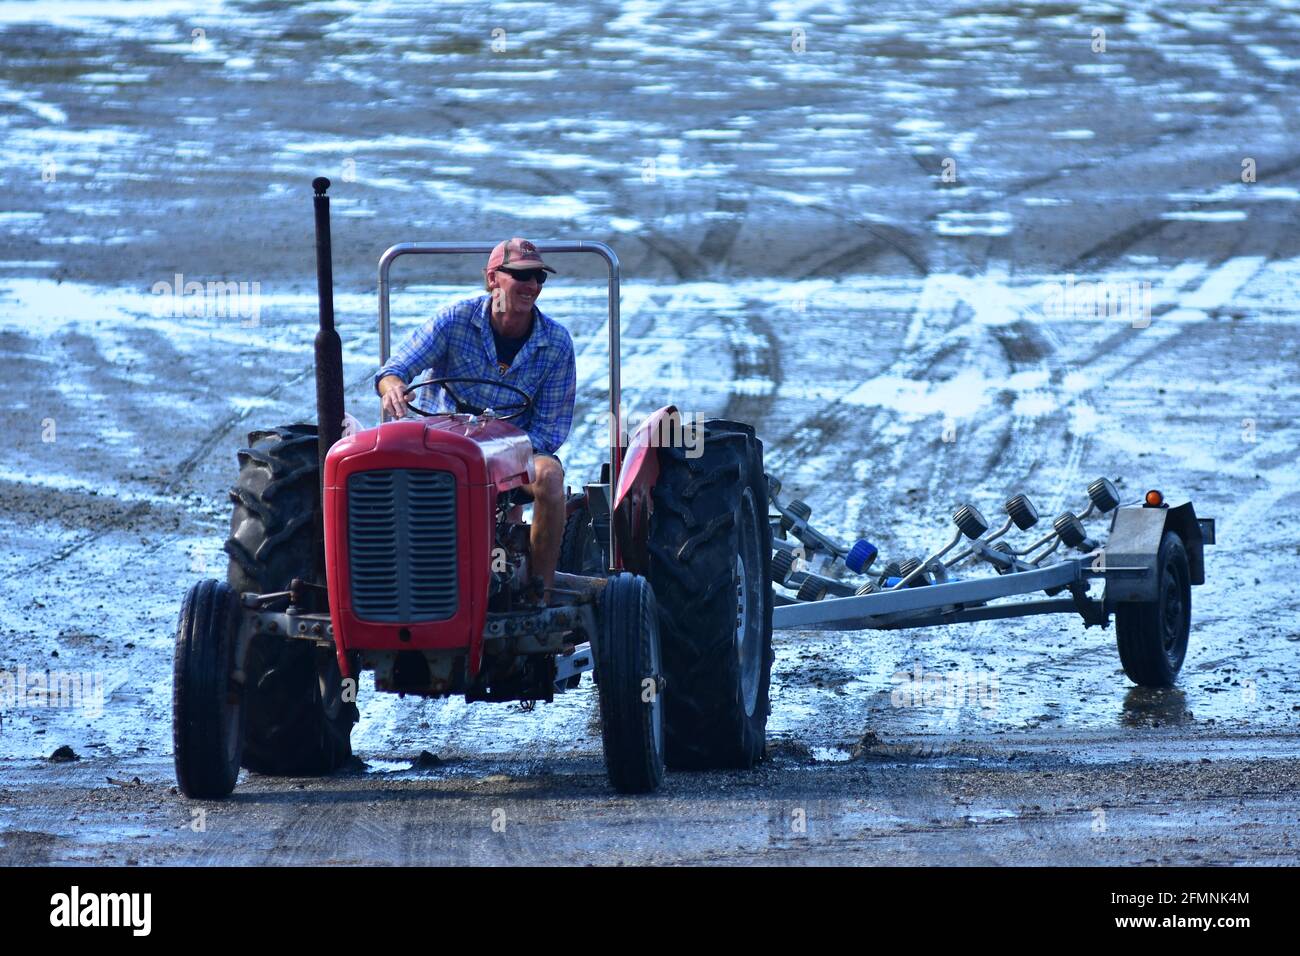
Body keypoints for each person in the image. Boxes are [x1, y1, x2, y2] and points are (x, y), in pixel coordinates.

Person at [374, 238, 577, 596]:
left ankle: (541, 592)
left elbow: (549, 430)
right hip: (440, 450)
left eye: (539, 278)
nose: (532, 285)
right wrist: (393, 387)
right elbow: (395, 369)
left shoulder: (557, 344)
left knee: (549, 476)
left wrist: (495, 450)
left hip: (512, 457)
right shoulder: (455, 320)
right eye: (522, 275)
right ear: (492, 278)